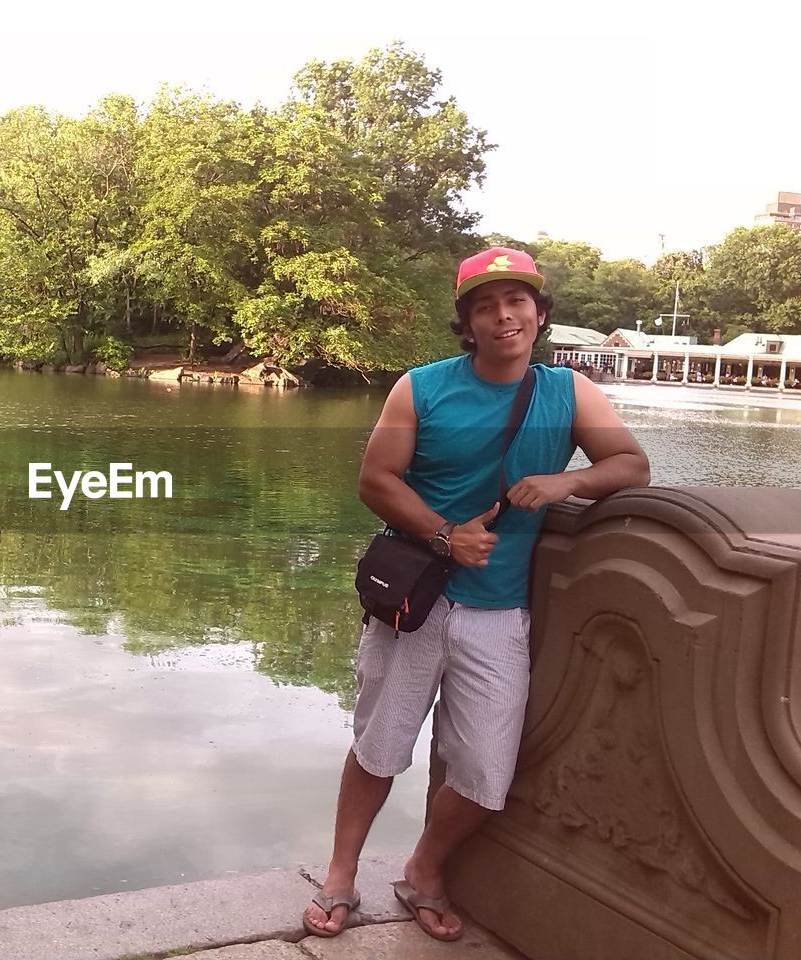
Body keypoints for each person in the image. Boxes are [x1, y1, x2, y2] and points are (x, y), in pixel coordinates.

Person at [301, 247, 650, 942]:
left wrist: (565, 482)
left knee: (489, 772)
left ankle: (423, 868)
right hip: (415, 603)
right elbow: (375, 479)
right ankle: (340, 874)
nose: (503, 316)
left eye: (516, 301)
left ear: (539, 313)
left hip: (500, 611)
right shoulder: (420, 388)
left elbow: (631, 463)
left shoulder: (569, 393)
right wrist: (443, 536)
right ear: (467, 322)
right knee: (379, 748)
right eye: (485, 306)